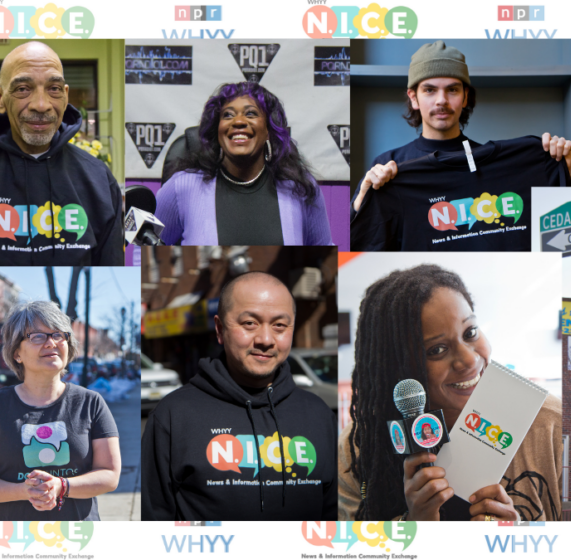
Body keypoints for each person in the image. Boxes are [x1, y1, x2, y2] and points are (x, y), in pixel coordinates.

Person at [339, 264, 562, 522]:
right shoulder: (359, 447)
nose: (469, 360)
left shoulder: (550, 423)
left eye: (471, 333)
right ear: (396, 367)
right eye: (436, 350)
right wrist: (414, 527)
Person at [141, 272, 336, 521]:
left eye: (279, 325)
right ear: (220, 329)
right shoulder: (173, 415)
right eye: (249, 323)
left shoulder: (319, 415)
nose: (265, 339)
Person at [349, 41, 571, 251]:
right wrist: (363, 199)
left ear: (465, 97)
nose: (441, 100)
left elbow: (557, 235)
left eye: (452, 89)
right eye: (429, 90)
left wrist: (560, 168)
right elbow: (362, 242)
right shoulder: (390, 166)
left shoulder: (510, 163)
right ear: (413, 98)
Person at [155, 82, 332, 246]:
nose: (238, 122)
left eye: (251, 113)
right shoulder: (181, 187)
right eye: (228, 115)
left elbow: (326, 261)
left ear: (269, 131)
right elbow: (146, 248)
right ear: (218, 130)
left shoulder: (301, 188)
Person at [0, 41, 124, 265]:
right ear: (1, 97)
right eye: (23, 89)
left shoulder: (98, 179)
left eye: (54, 89)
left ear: (66, 96)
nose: (41, 105)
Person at [0, 301, 121, 521]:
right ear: (16, 353)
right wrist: (25, 491)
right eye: (37, 336)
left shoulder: (90, 402)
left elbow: (110, 475)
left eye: (58, 335)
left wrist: (62, 486)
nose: (51, 343)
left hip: (80, 539)